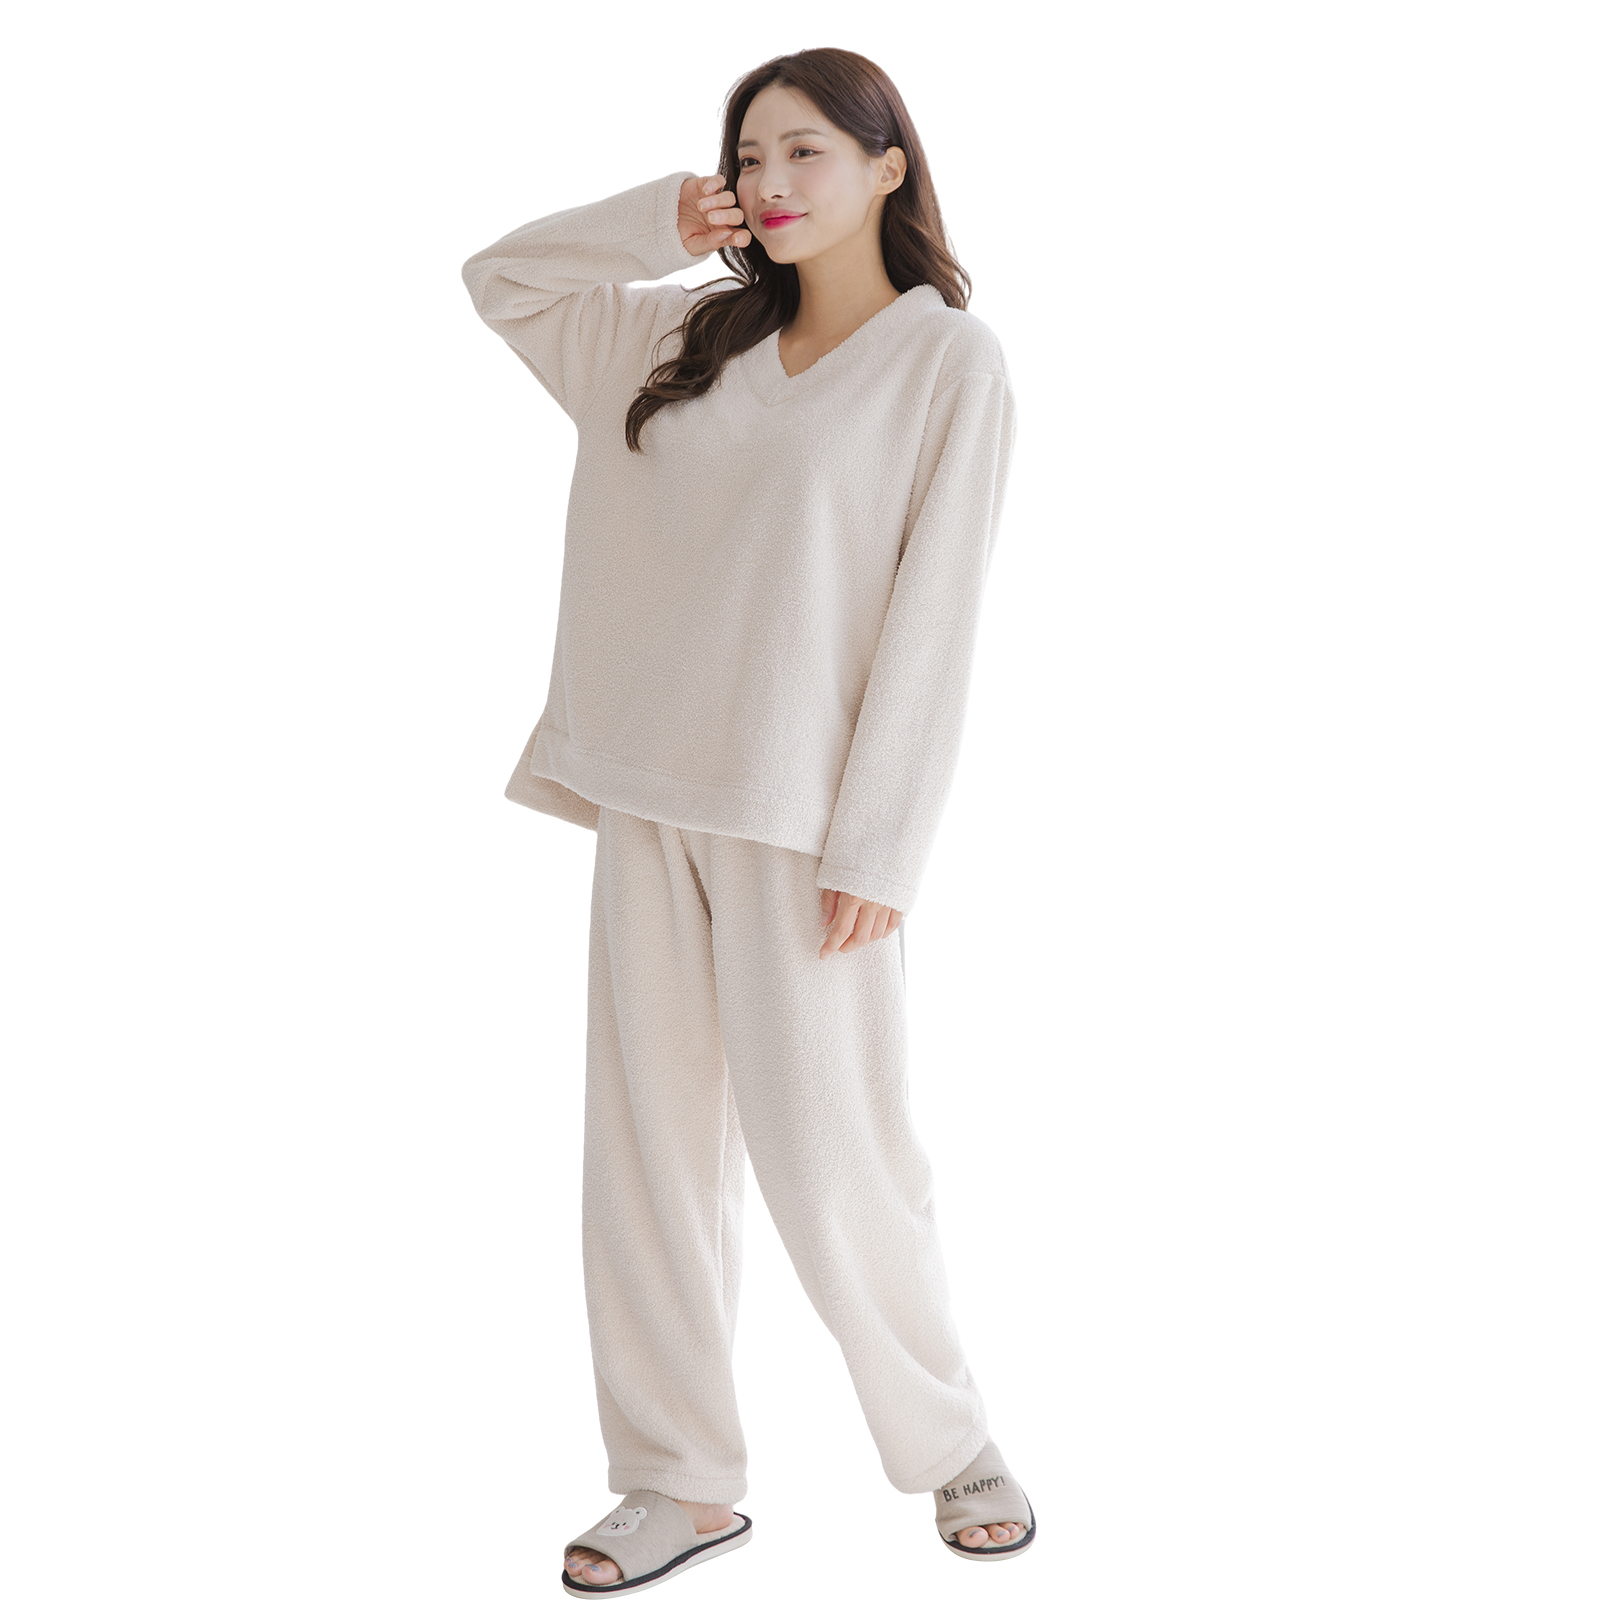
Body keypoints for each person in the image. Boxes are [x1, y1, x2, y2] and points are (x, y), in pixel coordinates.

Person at [461, 45, 1032, 1592]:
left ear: (888, 168)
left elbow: (937, 615)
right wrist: (658, 221)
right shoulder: (674, 336)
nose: (771, 184)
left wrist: (883, 847)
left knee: (838, 1160)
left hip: (806, 825)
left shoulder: (946, 364)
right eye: (749, 157)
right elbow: (501, 279)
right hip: (647, 795)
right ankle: (677, 1480)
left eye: (806, 153)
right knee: (647, 1165)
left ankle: (951, 1443)